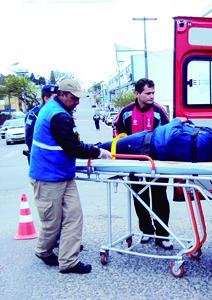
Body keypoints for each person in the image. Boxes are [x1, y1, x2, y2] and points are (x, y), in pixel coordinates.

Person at [29, 78, 113, 274]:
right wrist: (98, 152)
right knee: (52, 221)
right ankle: (43, 251)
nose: (77, 102)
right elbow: (73, 147)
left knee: (74, 216)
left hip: (62, 175)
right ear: (63, 94)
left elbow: (69, 144)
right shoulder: (59, 116)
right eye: (74, 98)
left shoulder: (55, 108)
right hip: (48, 177)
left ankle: (68, 261)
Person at [113, 78, 172, 250]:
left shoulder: (159, 111)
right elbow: (117, 132)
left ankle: (163, 235)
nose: (151, 96)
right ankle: (147, 230)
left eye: (153, 93)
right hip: (135, 164)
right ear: (137, 94)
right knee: (140, 198)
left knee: (160, 198)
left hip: (157, 163)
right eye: (147, 93)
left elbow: (169, 133)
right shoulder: (126, 112)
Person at [24, 84, 58, 162]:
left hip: (55, 157)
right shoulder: (34, 114)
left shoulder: (57, 112)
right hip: (40, 158)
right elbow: (30, 139)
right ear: (46, 98)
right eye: (55, 98)